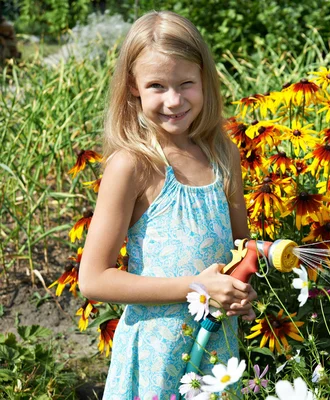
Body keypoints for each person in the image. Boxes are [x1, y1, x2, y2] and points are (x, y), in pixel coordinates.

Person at [78, 10, 256, 399]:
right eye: (157, 85)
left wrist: (239, 291)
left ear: (205, 81)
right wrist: (196, 286)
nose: (173, 100)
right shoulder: (132, 165)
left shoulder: (223, 154)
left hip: (215, 355)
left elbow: (241, 250)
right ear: (132, 87)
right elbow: (92, 278)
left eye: (186, 83)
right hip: (157, 355)